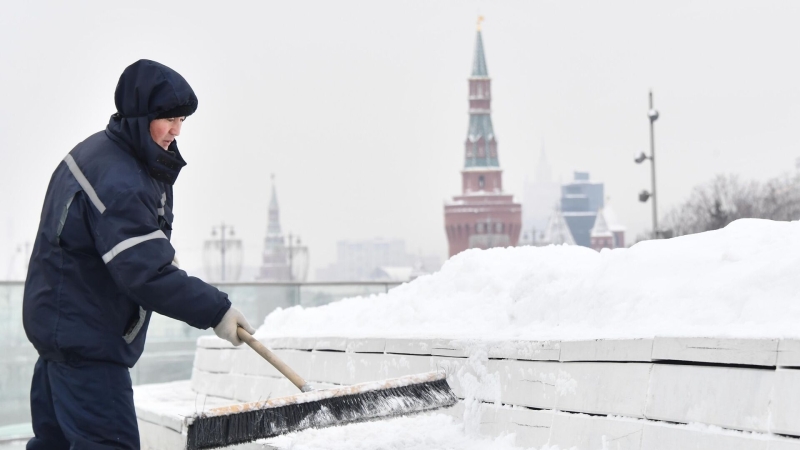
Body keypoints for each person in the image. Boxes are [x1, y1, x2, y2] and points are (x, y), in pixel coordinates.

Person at [22, 59, 255, 450]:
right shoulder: (121, 178)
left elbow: (112, 246)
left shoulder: (99, 154)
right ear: (141, 114)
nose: (176, 131)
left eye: (182, 120)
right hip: (89, 349)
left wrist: (153, 253)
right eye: (168, 119)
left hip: (61, 340)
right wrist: (217, 310)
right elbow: (145, 275)